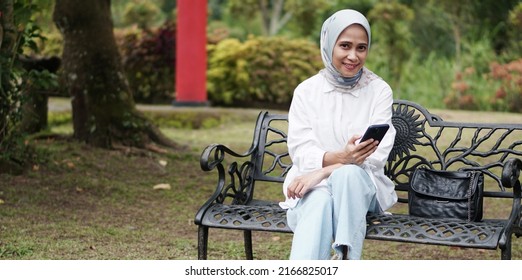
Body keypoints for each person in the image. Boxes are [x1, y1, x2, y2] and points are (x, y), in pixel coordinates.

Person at [279, 9, 397, 260]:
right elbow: (301, 151)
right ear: (329, 44)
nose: (353, 56)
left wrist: (322, 170)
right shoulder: (307, 91)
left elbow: (374, 158)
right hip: (313, 188)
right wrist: (340, 158)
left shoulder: (379, 91)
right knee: (319, 202)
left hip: (361, 189)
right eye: (345, 45)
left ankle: (344, 259)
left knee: (349, 176)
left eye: (361, 48)